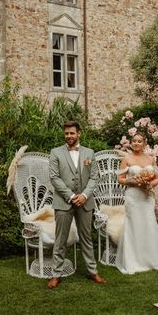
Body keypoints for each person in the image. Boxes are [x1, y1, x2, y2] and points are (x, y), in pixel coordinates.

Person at [47, 121, 106, 289]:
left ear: (79, 133)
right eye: (66, 133)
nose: (69, 136)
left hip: (85, 202)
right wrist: (72, 196)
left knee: (86, 238)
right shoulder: (55, 152)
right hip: (64, 201)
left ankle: (92, 271)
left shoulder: (89, 152)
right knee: (60, 239)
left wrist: (84, 195)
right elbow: (54, 178)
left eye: (72, 133)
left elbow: (94, 177)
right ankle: (56, 274)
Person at [115, 132, 158, 274]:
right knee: (134, 225)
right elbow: (120, 179)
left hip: (146, 197)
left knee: (148, 224)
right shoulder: (127, 159)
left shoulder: (151, 159)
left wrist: (151, 185)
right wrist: (132, 181)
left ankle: (149, 258)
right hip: (133, 197)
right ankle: (133, 260)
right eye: (134, 141)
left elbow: (157, 179)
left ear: (144, 143)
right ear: (131, 143)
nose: (136, 143)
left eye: (139, 141)